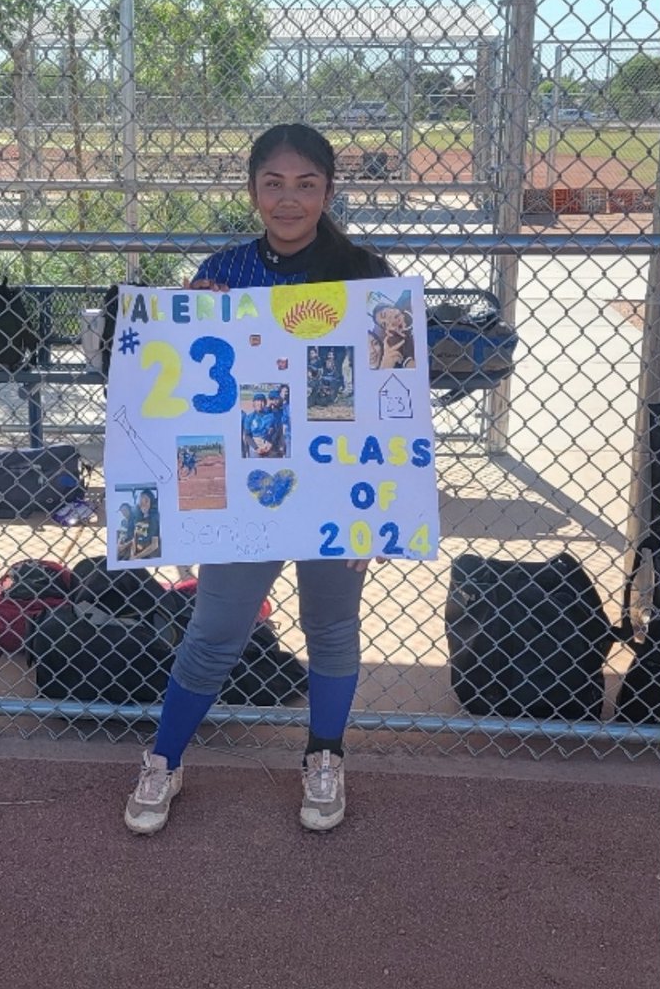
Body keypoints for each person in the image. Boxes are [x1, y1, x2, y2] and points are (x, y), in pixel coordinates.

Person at [125, 122, 393, 836]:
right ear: (251, 191)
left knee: (331, 624)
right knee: (215, 629)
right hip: (247, 479)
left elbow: (397, 391)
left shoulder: (368, 273)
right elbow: (181, 387)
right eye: (273, 183)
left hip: (332, 478)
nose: (289, 199)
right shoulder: (225, 270)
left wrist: (385, 496)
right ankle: (164, 759)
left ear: (329, 191)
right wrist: (188, 317)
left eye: (306, 184)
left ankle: (325, 756)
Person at [372, 302, 416, 369]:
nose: (388, 320)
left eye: (384, 314)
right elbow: (410, 364)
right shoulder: (400, 343)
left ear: (390, 307)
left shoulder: (410, 304)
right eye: (384, 324)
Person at [129, 488, 161, 560]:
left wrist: (137, 557)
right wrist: (132, 554)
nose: (143, 503)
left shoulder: (154, 519)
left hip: (149, 557)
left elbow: (154, 545)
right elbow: (134, 538)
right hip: (137, 555)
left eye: (146, 500)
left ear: (151, 503)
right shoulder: (138, 519)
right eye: (141, 500)